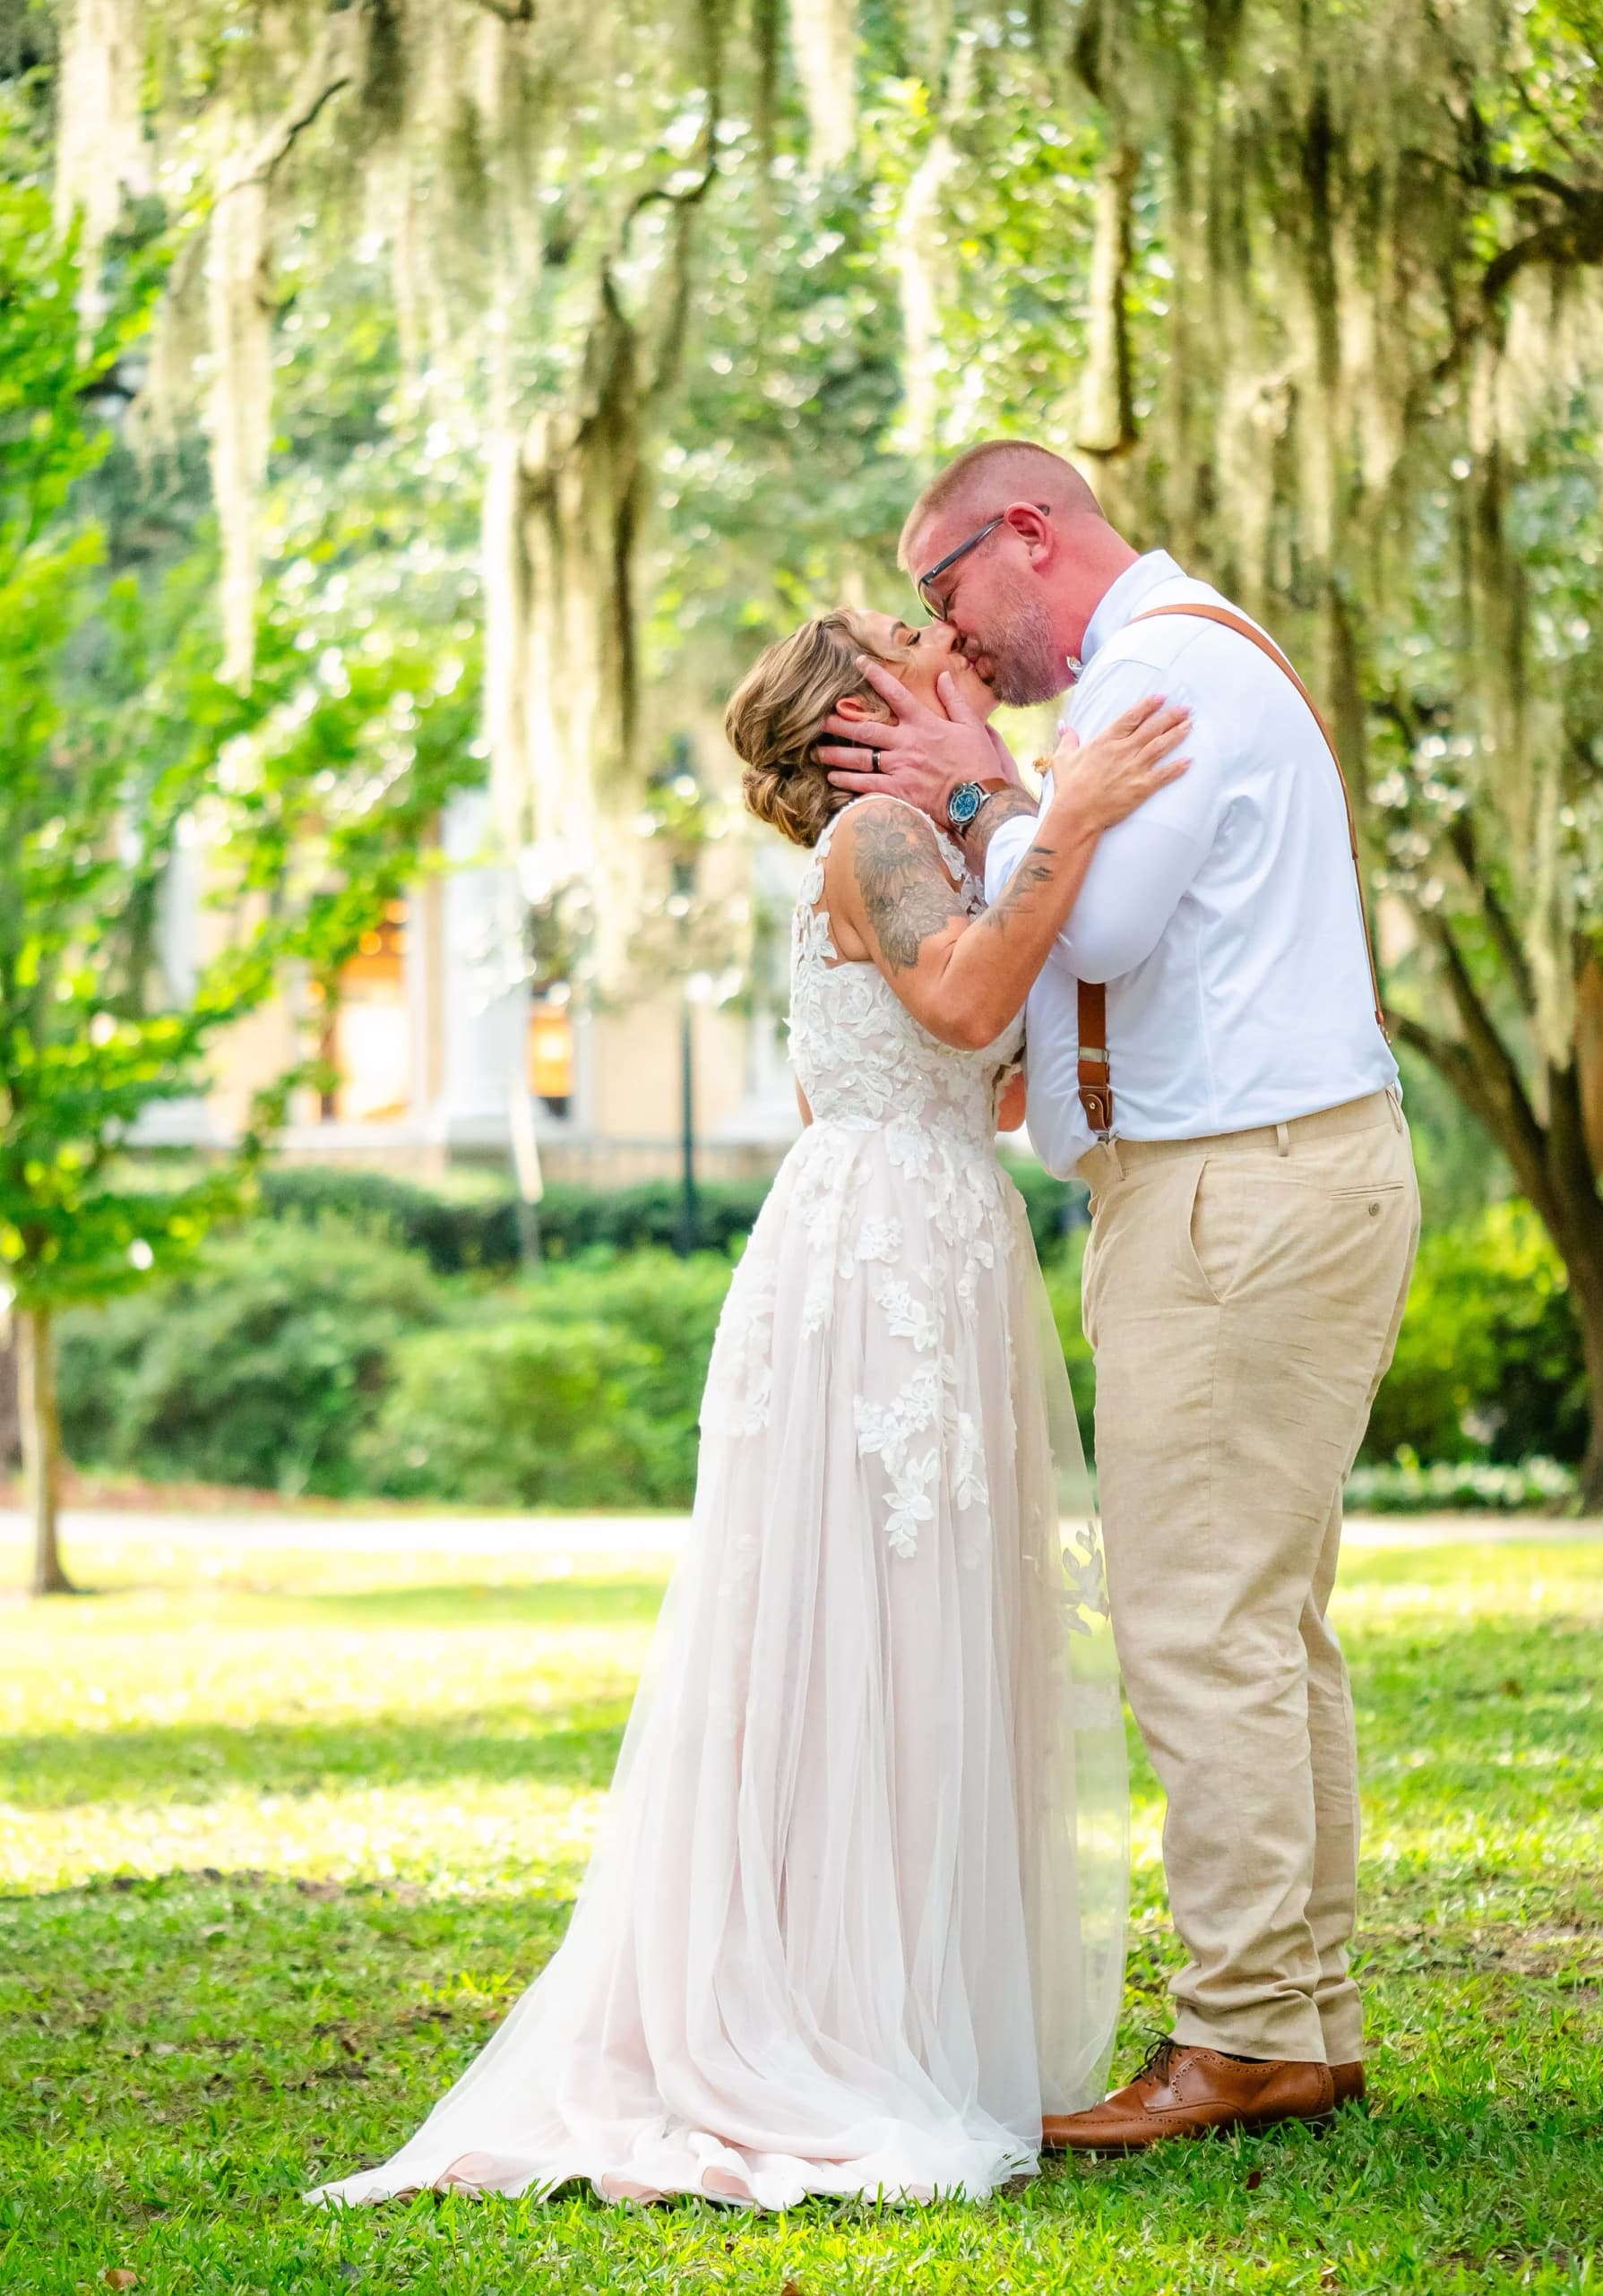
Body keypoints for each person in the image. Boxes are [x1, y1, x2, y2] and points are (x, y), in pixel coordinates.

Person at [306, 607, 1193, 2211]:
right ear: (860, 716)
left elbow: (927, 1063)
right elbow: (966, 1004)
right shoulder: (876, 834)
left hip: (924, 1230)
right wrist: (1066, 815)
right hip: (883, 1255)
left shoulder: (906, 844)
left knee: (929, 1619)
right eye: (901, 638)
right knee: (877, 1615)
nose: (946, 643)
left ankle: (904, 1999)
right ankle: (834, 2020)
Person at [817, 440, 1420, 2148]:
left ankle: (1240, 2033)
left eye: (946, 594)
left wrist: (976, 792)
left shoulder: (1159, 667)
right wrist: (1017, 789)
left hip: (1239, 1185)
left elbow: (1105, 927)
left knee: (1198, 1629)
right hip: (1280, 1169)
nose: (958, 645)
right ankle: (1298, 2018)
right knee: (1266, 1625)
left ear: (1029, 533)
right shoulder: (1193, 650)